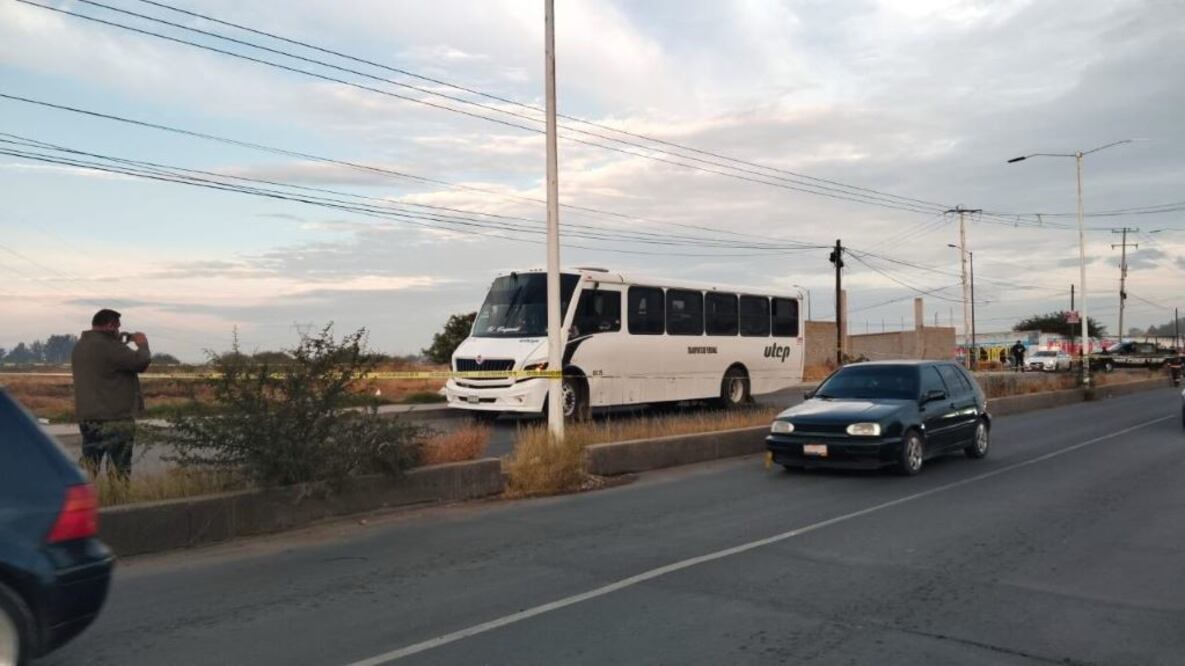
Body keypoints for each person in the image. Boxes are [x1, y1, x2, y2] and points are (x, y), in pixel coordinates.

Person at [71, 309, 151, 481]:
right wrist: (142, 343)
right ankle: (117, 501)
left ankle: (84, 500)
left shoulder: (81, 346)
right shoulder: (110, 347)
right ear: (110, 325)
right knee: (119, 467)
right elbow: (141, 362)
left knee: (90, 462)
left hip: (88, 416)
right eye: (117, 326)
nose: (119, 329)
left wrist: (120, 340)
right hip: (114, 417)